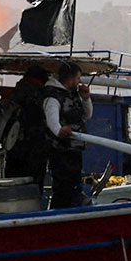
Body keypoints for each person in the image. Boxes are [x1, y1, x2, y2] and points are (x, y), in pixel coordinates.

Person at [41, 60, 93, 208]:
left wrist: (86, 98)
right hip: (60, 150)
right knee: (63, 186)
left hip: (74, 148)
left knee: (74, 182)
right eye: (78, 78)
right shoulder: (53, 96)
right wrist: (59, 131)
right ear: (70, 79)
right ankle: (59, 211)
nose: (79, 82)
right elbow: (52, 119)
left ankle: (72, 206)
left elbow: (87, 115)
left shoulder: (73, 94)